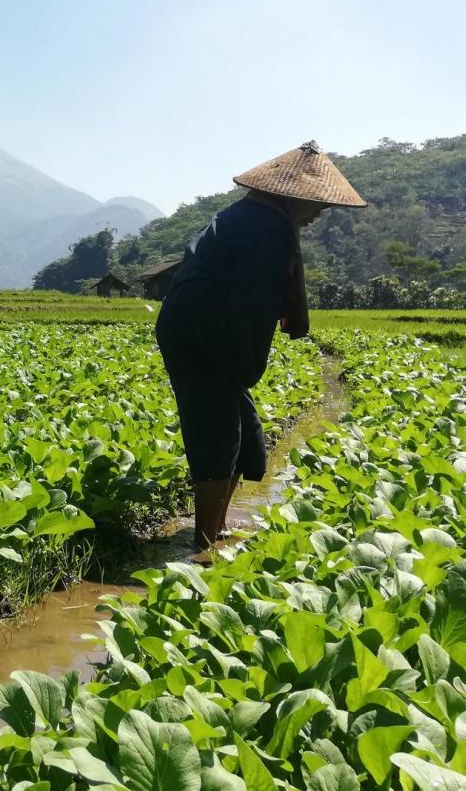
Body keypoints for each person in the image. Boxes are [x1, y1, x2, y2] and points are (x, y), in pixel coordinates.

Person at [154, 141, 366, 557]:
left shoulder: (250, 215)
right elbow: (253, 303)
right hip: (204, 333)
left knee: (245, 433)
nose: (320, 213)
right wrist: (246, 366)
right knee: (216, 433)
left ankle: (214, 528)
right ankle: (203, 545)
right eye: (317, 204)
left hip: (197, 326)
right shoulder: (268, 228)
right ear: (293, 197)